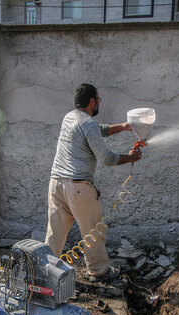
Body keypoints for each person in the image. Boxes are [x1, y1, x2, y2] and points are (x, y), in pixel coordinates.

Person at [45, 83, 142, 280]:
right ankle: (99, 271)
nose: (98, 103)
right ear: (92, 101)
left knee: (55, 234)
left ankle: (43, 271)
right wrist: (131, 157)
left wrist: (122, 127)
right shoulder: (87, 124)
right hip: (78, 188)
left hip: (56, 185)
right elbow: (107, 158)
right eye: (98, 99)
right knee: (94, 230)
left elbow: (98, 130)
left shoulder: (69, 117)